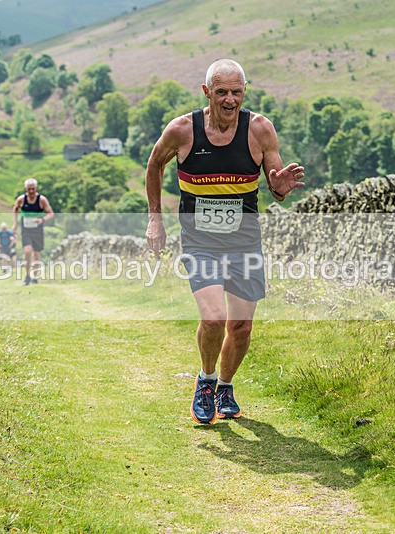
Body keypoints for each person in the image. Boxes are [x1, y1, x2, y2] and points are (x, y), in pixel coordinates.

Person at [145, 59, 305, 424]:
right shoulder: (183, 130)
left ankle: (226, 387)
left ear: (244, 92)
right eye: (222, 92)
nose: (230, 100)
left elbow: (275, 182)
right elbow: (155, 165)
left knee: (242, 327)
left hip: (245, 241)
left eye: (236, 92)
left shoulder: (260, 130)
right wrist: (155, 218)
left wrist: (279, 188)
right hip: (199, 239)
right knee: (214, 318)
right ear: (207, 92)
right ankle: (206, 380)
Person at [12, 178, 54, 286]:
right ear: (26, 188)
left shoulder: (42, 200)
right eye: (29, 189)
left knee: (36, 254)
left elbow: (50, 213)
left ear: (36, 188)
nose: (31, 191)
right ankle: (27, 276)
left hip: (37, 230)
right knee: (27, 251)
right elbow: (15, 209)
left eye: (33, 189)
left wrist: (42, 219)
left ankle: (35, 277)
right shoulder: (21, 199)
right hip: (26, 230)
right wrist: (15, 224)